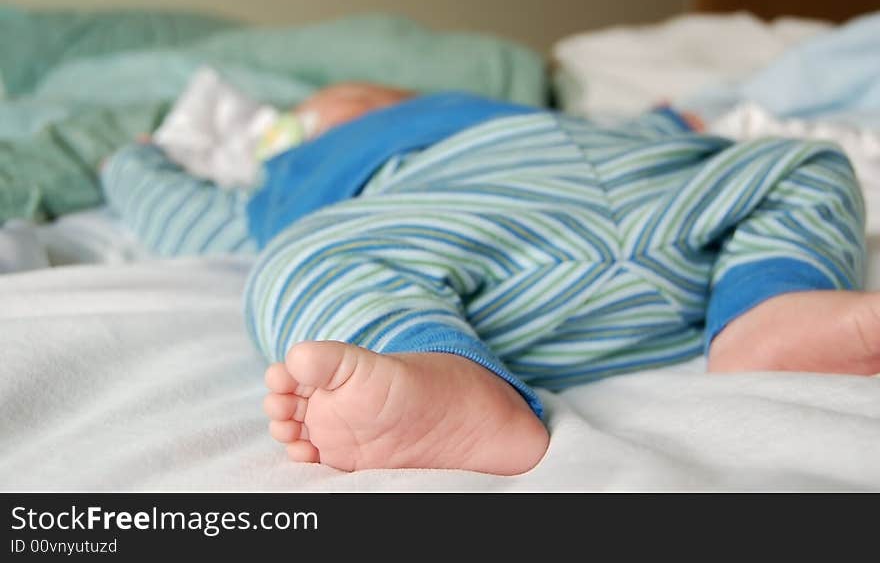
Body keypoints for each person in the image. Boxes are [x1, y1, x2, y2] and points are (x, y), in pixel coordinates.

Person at [101, 82, 877, 476]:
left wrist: (671, 126)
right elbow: (183, 217)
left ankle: (767, 307)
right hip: (470, 243)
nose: (355, 105)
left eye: (373, 96)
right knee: (295, 262)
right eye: (321, 115)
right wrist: (132, 160)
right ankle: (442, 371)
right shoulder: (294, 186)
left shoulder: (524, 111)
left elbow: (669, 137)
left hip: (654, 200)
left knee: (806, 164)